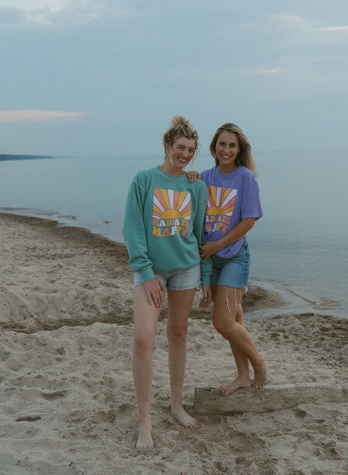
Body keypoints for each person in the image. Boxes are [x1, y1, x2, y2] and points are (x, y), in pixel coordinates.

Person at [123, 116, 212, 452]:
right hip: (152, 272)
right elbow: (132, 229)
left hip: (186, 268)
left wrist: (205, 275)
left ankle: (176, 404)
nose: (185, 154)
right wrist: (146, 274)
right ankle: (144, 420)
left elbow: (200, 233)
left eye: (191, 150)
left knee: (178, 332)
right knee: (143, 338)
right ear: (167, 146)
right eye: (180, 148)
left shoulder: (195, 185)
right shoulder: (144, 180)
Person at [197, 123, 266, 396]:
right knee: (235, 319)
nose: (226, 150)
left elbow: (248, 220)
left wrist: (216, 246)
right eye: (222, 144)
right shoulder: (203, 177)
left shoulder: (245, 177)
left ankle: (258, 361)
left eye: (232, 145)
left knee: (223, 323)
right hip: (212, 260)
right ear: (214, 147)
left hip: (235, 256)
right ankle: (242, 375)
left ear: (239, 150)